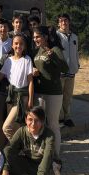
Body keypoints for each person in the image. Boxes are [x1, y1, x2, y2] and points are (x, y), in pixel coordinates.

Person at [0, 106, 65, 175]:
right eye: (30, 119)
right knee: (10, 158)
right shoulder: (22, 132)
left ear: (42, 122)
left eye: (37, 120)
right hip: (30, 163)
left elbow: (47, 157)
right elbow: (8, 150)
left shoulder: (49, 135)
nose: (33, 124)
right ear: (26, 120)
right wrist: (5, 172)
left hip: (48, 164)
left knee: (54, 167)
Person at [32, 26, 68, 161]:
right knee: (40, 124)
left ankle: (55, 156)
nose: (35, 39)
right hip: (39, 93)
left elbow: (65, 68)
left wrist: (53, 57)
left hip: (53, 93)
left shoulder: (55, 50)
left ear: (45, 37)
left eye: (38, 37)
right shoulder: (36, 51)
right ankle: (43, 154)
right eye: (34, 37)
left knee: (53, 124)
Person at [0, 34, 34, 142]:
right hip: (11, 97)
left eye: (21, 43)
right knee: (16, 127)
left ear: (25, 46)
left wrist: (30, 99)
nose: (18, 46)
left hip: (22, 97)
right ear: (12, 45)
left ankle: (18, 147)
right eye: (16, 43)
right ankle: (20, 151)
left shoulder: (27, 60)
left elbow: (30, 81)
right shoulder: (8, 60)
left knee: (6, 127)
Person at [57, 13, 80, 127]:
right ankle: (60, 117)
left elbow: (76, 52)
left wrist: (77, 64)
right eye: (61, 21)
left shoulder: (74, 37)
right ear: (58, 23)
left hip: (72, 70)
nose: (64, 23)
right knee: (59, 95)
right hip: (60, 71)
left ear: (69, 22)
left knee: (68, 96)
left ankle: (67, 117)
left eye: (65, 20)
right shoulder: (56, 36)